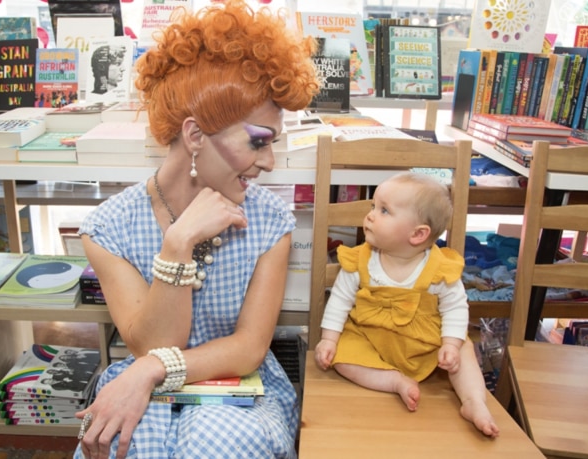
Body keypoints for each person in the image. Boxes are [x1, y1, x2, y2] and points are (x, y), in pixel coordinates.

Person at [74, 1, 319, 458]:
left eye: (273, 145)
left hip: (241, 395)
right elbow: (152, 342)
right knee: (127, 445)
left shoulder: (270, 222)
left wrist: (148, 370)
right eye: (258, 142)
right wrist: (177, 244)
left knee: (215, 442)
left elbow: (247, 348)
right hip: (150, 391)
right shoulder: (108, 228)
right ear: (194, 136)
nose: (268, 162)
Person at [314, 172, 500, 438]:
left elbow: (456, 308)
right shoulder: (360, 260)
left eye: (384, 210)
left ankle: (474, 402)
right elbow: (340, 301)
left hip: (421, 343)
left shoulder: (438, 268)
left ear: (418, 234)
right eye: (372, 207)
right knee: (342, 359)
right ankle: (392, 380)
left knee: (465, 351)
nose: (370, 215)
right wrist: (329, 339)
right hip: (370, 338)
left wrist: (450, 344)